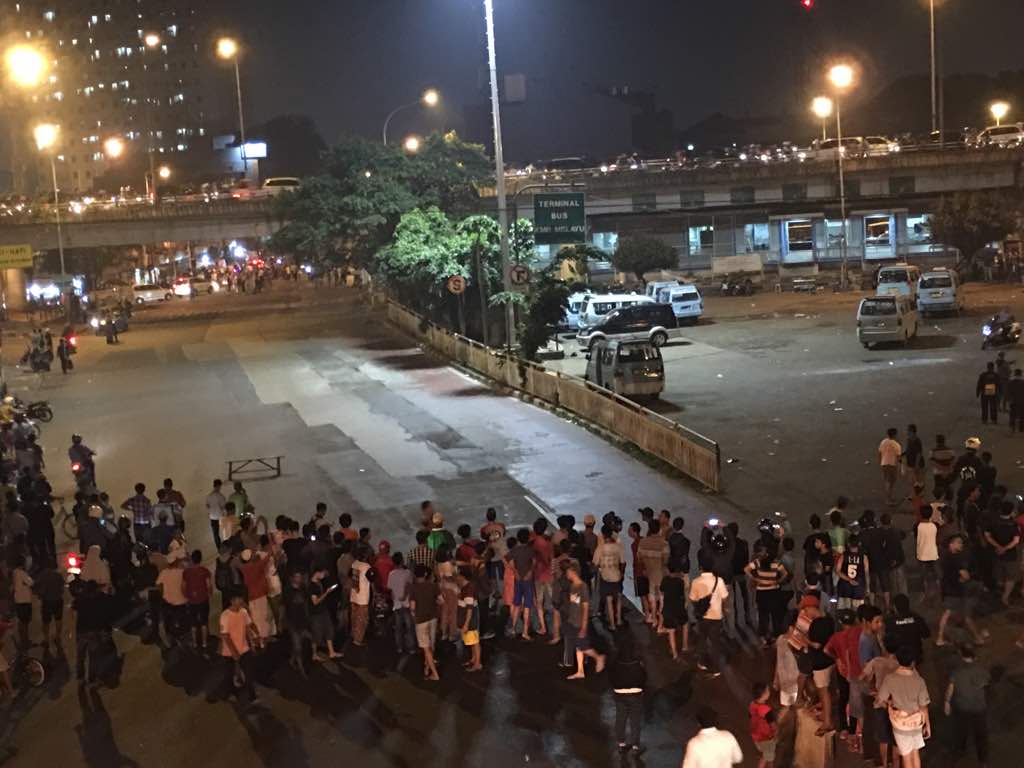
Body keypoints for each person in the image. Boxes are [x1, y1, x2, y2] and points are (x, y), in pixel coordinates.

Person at [877, 646, 931, 768]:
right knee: (915, 753)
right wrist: (927, 725)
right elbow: (923, 706)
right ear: (913, 662)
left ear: (898, 659)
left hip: (900, 724)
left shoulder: (890, 679)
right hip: (916, 723)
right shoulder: (919, 680)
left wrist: (890, 706)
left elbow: (880, 699)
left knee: (906, 756)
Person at [937, 534, 987, 647]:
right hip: (954, 591)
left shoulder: (946, 557)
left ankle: (975, 636)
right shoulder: (955, 558)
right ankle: (976, 638)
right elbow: (965, 576)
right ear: (951, 544)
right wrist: (965, 577)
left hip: (949, 589)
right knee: (955, 614)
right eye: (958, 542)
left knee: (952, 613)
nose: (961, 545)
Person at [944, 644, 990, 768]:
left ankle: (959, 755)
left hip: (962, 707)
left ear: (961, 655)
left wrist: (947, 702)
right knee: (980, 735)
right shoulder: (982, 670)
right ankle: (983, 761)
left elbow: (950, 688)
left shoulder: (956, 671)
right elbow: (985, 683)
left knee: (961, 732)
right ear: (974, 656)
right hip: (979, 708)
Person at [689, 551, 729, 677]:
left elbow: (693, 599)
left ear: (700, 567)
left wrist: (699, 607)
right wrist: (724, 609)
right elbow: (725, 597)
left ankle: (703, 662)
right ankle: (716, 668)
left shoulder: (696, 582)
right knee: (715, 642)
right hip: (716, 616)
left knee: (702, 639)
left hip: (703, 616)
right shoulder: (719, 581)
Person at [563, 562, 604, 679]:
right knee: (579, 646)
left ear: (573, 572)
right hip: (573, 621)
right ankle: (580, 671)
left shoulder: (583, 587)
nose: (567, 574)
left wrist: (584, 627)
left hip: (579, 622)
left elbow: (585, 608)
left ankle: (598, 657)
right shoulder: (573, 586)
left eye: (568, 572)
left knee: (584, 646)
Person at [861, 644, 899, 768]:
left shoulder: (876, 661)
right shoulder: (900, 664)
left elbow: (862, 677)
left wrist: (872, 688)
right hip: (895, 704)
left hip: (880, 703)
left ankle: (884, 763)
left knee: (883, 738)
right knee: (896, 739)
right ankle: (896, 764)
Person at [219, 589, 259, 706]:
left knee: (249, 672)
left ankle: (252, 695)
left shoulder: (243, 612)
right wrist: (234, 652)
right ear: (232, 601)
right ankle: (231, 693)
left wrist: (255, 638)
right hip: (229, 652)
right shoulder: (225, 616)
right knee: (230, 675)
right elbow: (225, 636)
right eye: (238, 599)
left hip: (244, 648)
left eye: (241, 598)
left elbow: (249, 626)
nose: (241, 601)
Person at [610, 632, 646, 755]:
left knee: (620, 718)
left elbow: (611, 678)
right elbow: (643, 677)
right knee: (635, 720)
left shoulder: (616, 661)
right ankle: (635, 746)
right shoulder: (637, 661)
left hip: (619, 693)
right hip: (636, 694)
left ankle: (621, 744)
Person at [72, 579, 113, 686]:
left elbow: (74, 608)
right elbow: (108, 605)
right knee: (93, 656)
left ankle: (80, 677)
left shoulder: (80, 598)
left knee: (80, 656)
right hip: (94, 631)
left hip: (81, 631)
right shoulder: (101, 598)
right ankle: (92, 679)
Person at [983, 499, 1019, 606]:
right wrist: (1005, 548)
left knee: (998, 575)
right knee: (1010, 577)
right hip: (1010, 555)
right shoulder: (1013, 524)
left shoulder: (993, 522)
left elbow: (987, 535)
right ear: (1011, 511)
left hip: (996, 552)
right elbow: (1016, 540)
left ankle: (999, 593)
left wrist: (998, 546)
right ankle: (1005, 597)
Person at [409, 564, 441, 680]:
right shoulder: (433, 586)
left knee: (426, 648)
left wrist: (413, 616)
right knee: (431, 645)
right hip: (433, 618)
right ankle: (427, 667)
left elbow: (412, 607)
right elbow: (441, 601)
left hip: (421, 620)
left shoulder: (413, 588)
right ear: (426, 574)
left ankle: (435, 674)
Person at [592, 523, 626, 630]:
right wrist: (622, 573)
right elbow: (623, 562)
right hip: (617, 575)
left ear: (602, 535)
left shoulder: (600, 548)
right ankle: (619, 620)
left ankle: (612, 624)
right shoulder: (618, 547)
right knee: (618, 597)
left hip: (606, 576)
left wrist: (601, 567)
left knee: (609, 600)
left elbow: (595, 563)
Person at [638, 520, 669, 627]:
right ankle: (661, 623)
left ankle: (654, 620)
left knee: (652, 598)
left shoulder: (643, 542)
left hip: (649, 573)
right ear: (659, 529)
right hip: (660, 574)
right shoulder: (664, 544)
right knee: (662, 598)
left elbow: (639, 558)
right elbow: (666, 560)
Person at [885, 594, 930, 666]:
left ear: (895, 607)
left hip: (899, 659)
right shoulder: (917, 618)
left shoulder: (890, 621)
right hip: (916, 656)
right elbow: (926, 634)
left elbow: (888, 642)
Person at [309, 566, 341, 660]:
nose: (324, 575)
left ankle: (331, 652)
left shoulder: (319, 582)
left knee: (329, 630)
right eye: (323, 573)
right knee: (316, 634)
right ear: (317, 572)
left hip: (323, 610)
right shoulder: (312, 586)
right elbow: (315, 602)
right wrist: (327, 593)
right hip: (316, 613)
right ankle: (314, 654)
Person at [182, 550, 212, 651]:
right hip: (203, 599)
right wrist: (209, 594)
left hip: (191, 601)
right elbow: (208, 585)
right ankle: (204, 643)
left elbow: (183, 586)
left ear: (192, 559)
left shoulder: (186, 572)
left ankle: (194, 643)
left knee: (193, 623)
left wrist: (187, 596)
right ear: (200, 559)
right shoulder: (205, 571)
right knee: (204, 621)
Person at [509, 528, 535, 641]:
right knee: (527, 606)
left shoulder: (515, 550)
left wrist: (515, 572)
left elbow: (509, 561)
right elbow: (534, 562)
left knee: (517, 605)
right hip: (528, 581)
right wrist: (530, 572)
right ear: (528, 538)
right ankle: (525, 632)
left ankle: (513, 629)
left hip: (518, 580)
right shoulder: (530, 550)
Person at [388, 552, 416, 655]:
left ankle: (399, 647)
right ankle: (411, 648)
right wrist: (404, 596)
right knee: (409, 627)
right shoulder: (407, 573)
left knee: (398, 628)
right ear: (402, 561)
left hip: (396, 604)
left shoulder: (391, 574)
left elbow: (391, 590)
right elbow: (409, 586)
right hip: (406, 603)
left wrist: (394, 601)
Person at [34, 560, 64, 656]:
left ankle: (46, 639)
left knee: (46, 621)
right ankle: (58, 637)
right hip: (58, 600)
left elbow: (36, 586)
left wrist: (39, 595)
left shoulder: (42, 575)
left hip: (47, 601)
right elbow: (62, 588)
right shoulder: (58, 575)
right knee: (58, 619)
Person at [284, 570, 311, 676]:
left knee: (300, 643)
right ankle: (301, 668)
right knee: (298, 645)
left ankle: (292, 660)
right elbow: (286, 605)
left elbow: (306, 603)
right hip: (293, 622)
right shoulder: (288, 590)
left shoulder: (303, 588)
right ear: (292, 578)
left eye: (300, 577)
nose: (299, 579)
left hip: (302, 620)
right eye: (297, 577)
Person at [660, 559, 689, 659]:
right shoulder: (680, 581)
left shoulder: (665, 580)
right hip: (679, 607)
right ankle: (685, 646)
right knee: (685, 624)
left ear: (668, 570)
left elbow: (662, 593)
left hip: (668, 608)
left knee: (671, 631)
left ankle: (675, 653)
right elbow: (683, 594)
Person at [456, 566, 482, 672]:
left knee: (475, 642)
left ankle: (477, 664)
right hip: (468, 620)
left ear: (462, 576)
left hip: (470, 622)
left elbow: (469, 609)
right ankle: (474, 659)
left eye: (458, 575)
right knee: (473, 641)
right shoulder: (466, 587)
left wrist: (466, 624)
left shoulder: (468, 589)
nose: (456, 577)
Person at [834, 535, 869, 611]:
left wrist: (849, 579)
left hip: (844, 587)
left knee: (844, 611)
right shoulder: (864, 557)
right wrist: (868, 588)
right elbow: (866, 573)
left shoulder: (843, 556)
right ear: (859, 543)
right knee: (857, 611)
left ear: (848, 544)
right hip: (859, 586)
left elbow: (837, 571)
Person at [749, 681, 777, 768]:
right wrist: (776, 735)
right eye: (768, 690)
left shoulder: (752, 704)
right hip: (766, 738)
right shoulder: (766, 710)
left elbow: (751, 717)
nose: (769, 692)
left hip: (756, 736)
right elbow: (773, 726)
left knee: (765, 754)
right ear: (763, 694)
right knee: (769, 757)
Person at [914, 507, 939, 601]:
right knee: (936, 574)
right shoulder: (934, 526)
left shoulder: (918, 526)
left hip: (922, 553)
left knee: (924, 576)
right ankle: (938, 592)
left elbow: (916, 537)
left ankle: (925, 593)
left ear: (921, 514)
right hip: (933, 552)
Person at [349, 548, 372, 646]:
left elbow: (350, 576)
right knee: (362, 619)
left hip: (354, 595)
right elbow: (372, 579)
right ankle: (358, 639)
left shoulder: (354, 564)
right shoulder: (366, 566)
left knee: (354, 617)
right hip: (363, 597)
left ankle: (354, 635)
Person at [879, 428, 903, 506]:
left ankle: (889, 497)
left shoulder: (883, 442)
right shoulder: (896, 445)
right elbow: (899, 457)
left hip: (884, 463)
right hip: (892, 464)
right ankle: (888, 499)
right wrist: (901, 467)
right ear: (895, 435)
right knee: (891, 482)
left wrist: (880, 462)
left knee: (887, 481)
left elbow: (880, 452)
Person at [206, 479, 226, 549]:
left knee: (215, 534)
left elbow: (207, 506)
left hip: (212, 517)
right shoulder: (221, 496)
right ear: (218, 486)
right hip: (220, 517)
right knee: (224, 532)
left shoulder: (209, 496)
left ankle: (219, 548)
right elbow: (223, 507)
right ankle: (225, 546)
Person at [1008, 368, 1024, 432]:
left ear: (1015, 373)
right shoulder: (1023, 382)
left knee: (1013, 414)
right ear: (1021, 374)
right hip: (1022, 401)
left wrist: (1007, 400)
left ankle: (1012, 426)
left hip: (1013, 401)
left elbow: (1008, 392)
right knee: (1022, 415)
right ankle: (1021, 428)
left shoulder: (1011, 382)